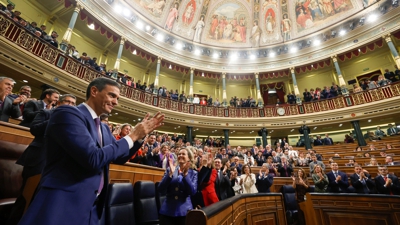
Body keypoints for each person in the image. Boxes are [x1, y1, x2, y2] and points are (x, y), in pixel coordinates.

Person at [18, 78, 164, 225]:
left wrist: (139, 137)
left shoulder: (105, 128)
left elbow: (119, 157)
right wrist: (133, 135)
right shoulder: (67, 113)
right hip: (62, 203)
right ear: (94, 91)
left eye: (117, 98)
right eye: (112, 95)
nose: (116, 102)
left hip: (92, 207)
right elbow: (92, 158)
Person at [7, 94, 76, 225]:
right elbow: (34, 129)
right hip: (37, 159)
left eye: (73, 103)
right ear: (59, 103)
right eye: (68, 102)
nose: (70, 105)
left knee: (42, 200)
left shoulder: (71, 121)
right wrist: (56, 118)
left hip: (56, 164)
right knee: (26, 197)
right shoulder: (47, 113)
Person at [158, 147, 197, 225]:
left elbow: (192, 192)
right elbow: (160, 189)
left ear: (189, 157)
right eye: (179, 154)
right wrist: (170, 175)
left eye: (183, 154)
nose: (180, 155)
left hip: (184, 211)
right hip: (167, 211)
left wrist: (186, 176)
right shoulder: (170, 169)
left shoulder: (193, 173)